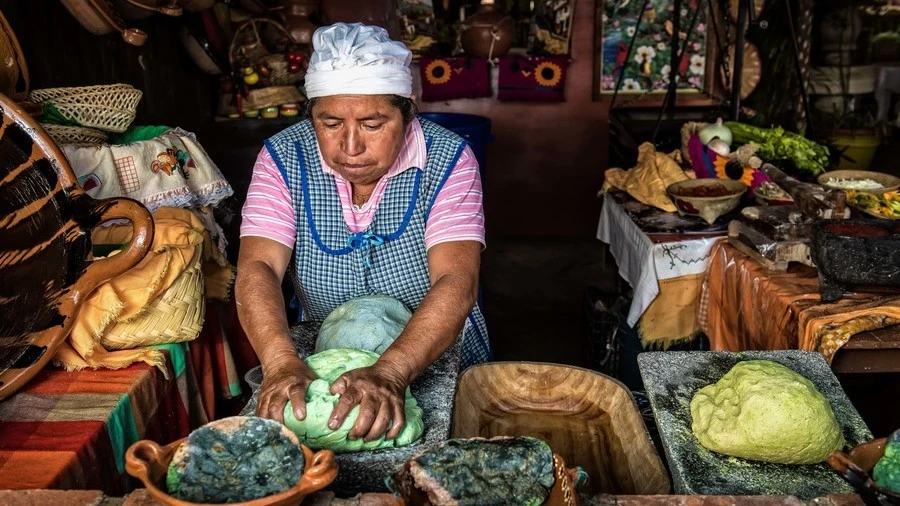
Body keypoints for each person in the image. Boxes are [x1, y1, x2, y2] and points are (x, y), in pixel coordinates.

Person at [235, 22, 491, 444]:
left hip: (434, 350)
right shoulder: (282, 157)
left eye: (373, 124)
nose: (350, 147)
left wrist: (391, 371)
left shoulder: (448, 159)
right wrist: (280, 362)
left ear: (408, 109)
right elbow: (259, 265)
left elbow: (456, 279)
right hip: (325, 349)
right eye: (330, 123)